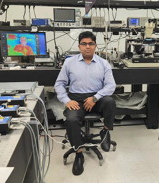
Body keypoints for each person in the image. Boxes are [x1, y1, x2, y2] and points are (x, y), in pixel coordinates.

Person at [54, 31, 116, 175]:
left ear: (95, 46)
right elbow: (59, 84)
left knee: (110, 102)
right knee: (71, 119)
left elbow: (111, 86)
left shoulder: (103, 63)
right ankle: (79, 153)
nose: (87, 47)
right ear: (79, 46)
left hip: (96, 98)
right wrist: (67, 100)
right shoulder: (70, 62)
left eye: (91, 44)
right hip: (76, 99)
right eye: (84, 44)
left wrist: (95, 98)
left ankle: (105, 131)